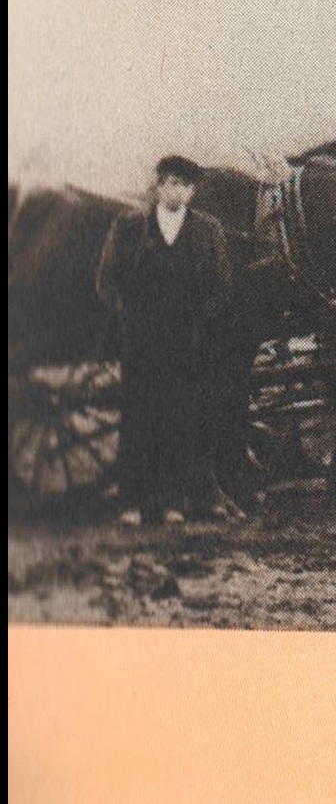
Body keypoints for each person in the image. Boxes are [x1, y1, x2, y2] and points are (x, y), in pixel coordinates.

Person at [95, 155, 234, 526]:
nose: (178, 191)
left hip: (186, 342)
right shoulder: (130, 227)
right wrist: (129, 317)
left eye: (186, 185)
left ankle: (173, 501)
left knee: (180, 418)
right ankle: (132, 503)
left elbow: (222, 286)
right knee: (138, 417)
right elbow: (107, 281)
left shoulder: (208, 231)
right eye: (171, 183)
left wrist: (198, 318)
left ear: (193, 191)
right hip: (140, 340)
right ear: (158, 186)